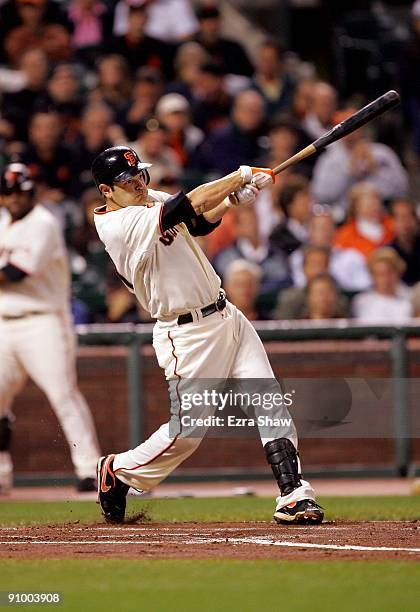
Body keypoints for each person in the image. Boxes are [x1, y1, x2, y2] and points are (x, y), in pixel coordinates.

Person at [92, 144, 323, 525]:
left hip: (225, 313)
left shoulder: (150, 198)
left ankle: (294, 493)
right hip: (187, 333)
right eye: (127, 181)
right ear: (106, 190)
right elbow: (187, 204)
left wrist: (232, 200)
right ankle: (117, 471)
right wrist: (239, 175)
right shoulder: (116, 226)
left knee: (268, 400)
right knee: (188, 432)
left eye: (140, 175)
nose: (138, 184)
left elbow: (197, 221)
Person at [0, 163, 101, 493]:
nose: (16, 199)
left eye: (22, 192)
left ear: (32, 193)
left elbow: (14, 274)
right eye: (10, 193)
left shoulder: (43, 222)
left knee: (63, 395)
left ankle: (89, 469)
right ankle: (1, 473)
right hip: (4, 323)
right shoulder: (2, 223)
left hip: (42, 322)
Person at [311, 108, 409, 222]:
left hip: (383, 215)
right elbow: (321, 194)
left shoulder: (381, 152)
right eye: (345, 127)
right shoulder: (329, 159)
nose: (350, 132)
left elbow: (402, 186)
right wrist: (348, 171)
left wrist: (375, 170)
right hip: (345, 218)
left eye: (354, 126)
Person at [334, 182, 394, 260]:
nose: (373, 207)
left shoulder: (393, 225)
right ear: (356, 207)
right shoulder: (345, 235)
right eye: (368, 205)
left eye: (375, 202)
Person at [352, 247, 412, 324]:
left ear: (398, 272)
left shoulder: (410, 298)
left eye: (389, 273)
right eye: (380, 274)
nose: (386, 279)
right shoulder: (361, 302)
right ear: (372, 276)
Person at [388, 198, 420, 286]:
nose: (406, 223)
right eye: (401, 218)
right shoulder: (388, 251)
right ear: (393, 222)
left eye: (409, 217)